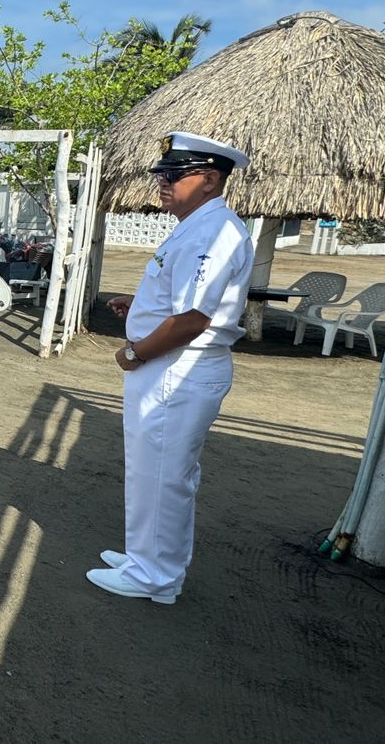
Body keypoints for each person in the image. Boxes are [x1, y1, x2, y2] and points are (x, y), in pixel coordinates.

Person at [88, 131, 252, 605]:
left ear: (209, 179)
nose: (162, 181)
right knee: (151, 471)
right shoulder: (196, 224)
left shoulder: (212, 232)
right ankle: (147, 558)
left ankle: (154, 577)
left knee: (163, 475)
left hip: (176, 369)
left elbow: (193, 320)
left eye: (173, 174)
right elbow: (180, 300)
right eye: (161, 173)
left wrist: (134, 352)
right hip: (170, 367)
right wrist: (138, 305)